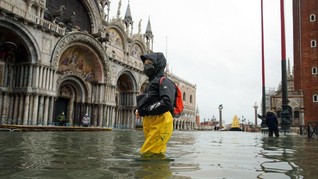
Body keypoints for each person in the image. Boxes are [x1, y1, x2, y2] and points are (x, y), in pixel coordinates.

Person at [135, 52, 176, 159]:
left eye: (149, 62)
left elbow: (166, 103)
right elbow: (149, 101)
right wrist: (138, 109)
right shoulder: (150, 83)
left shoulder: (165, 81)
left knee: (148, 154)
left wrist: (145, 110)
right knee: (155, 152)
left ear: (157, 64)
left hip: (161, 120)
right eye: (145, 63)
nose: (146, 65)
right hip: (150, 121)